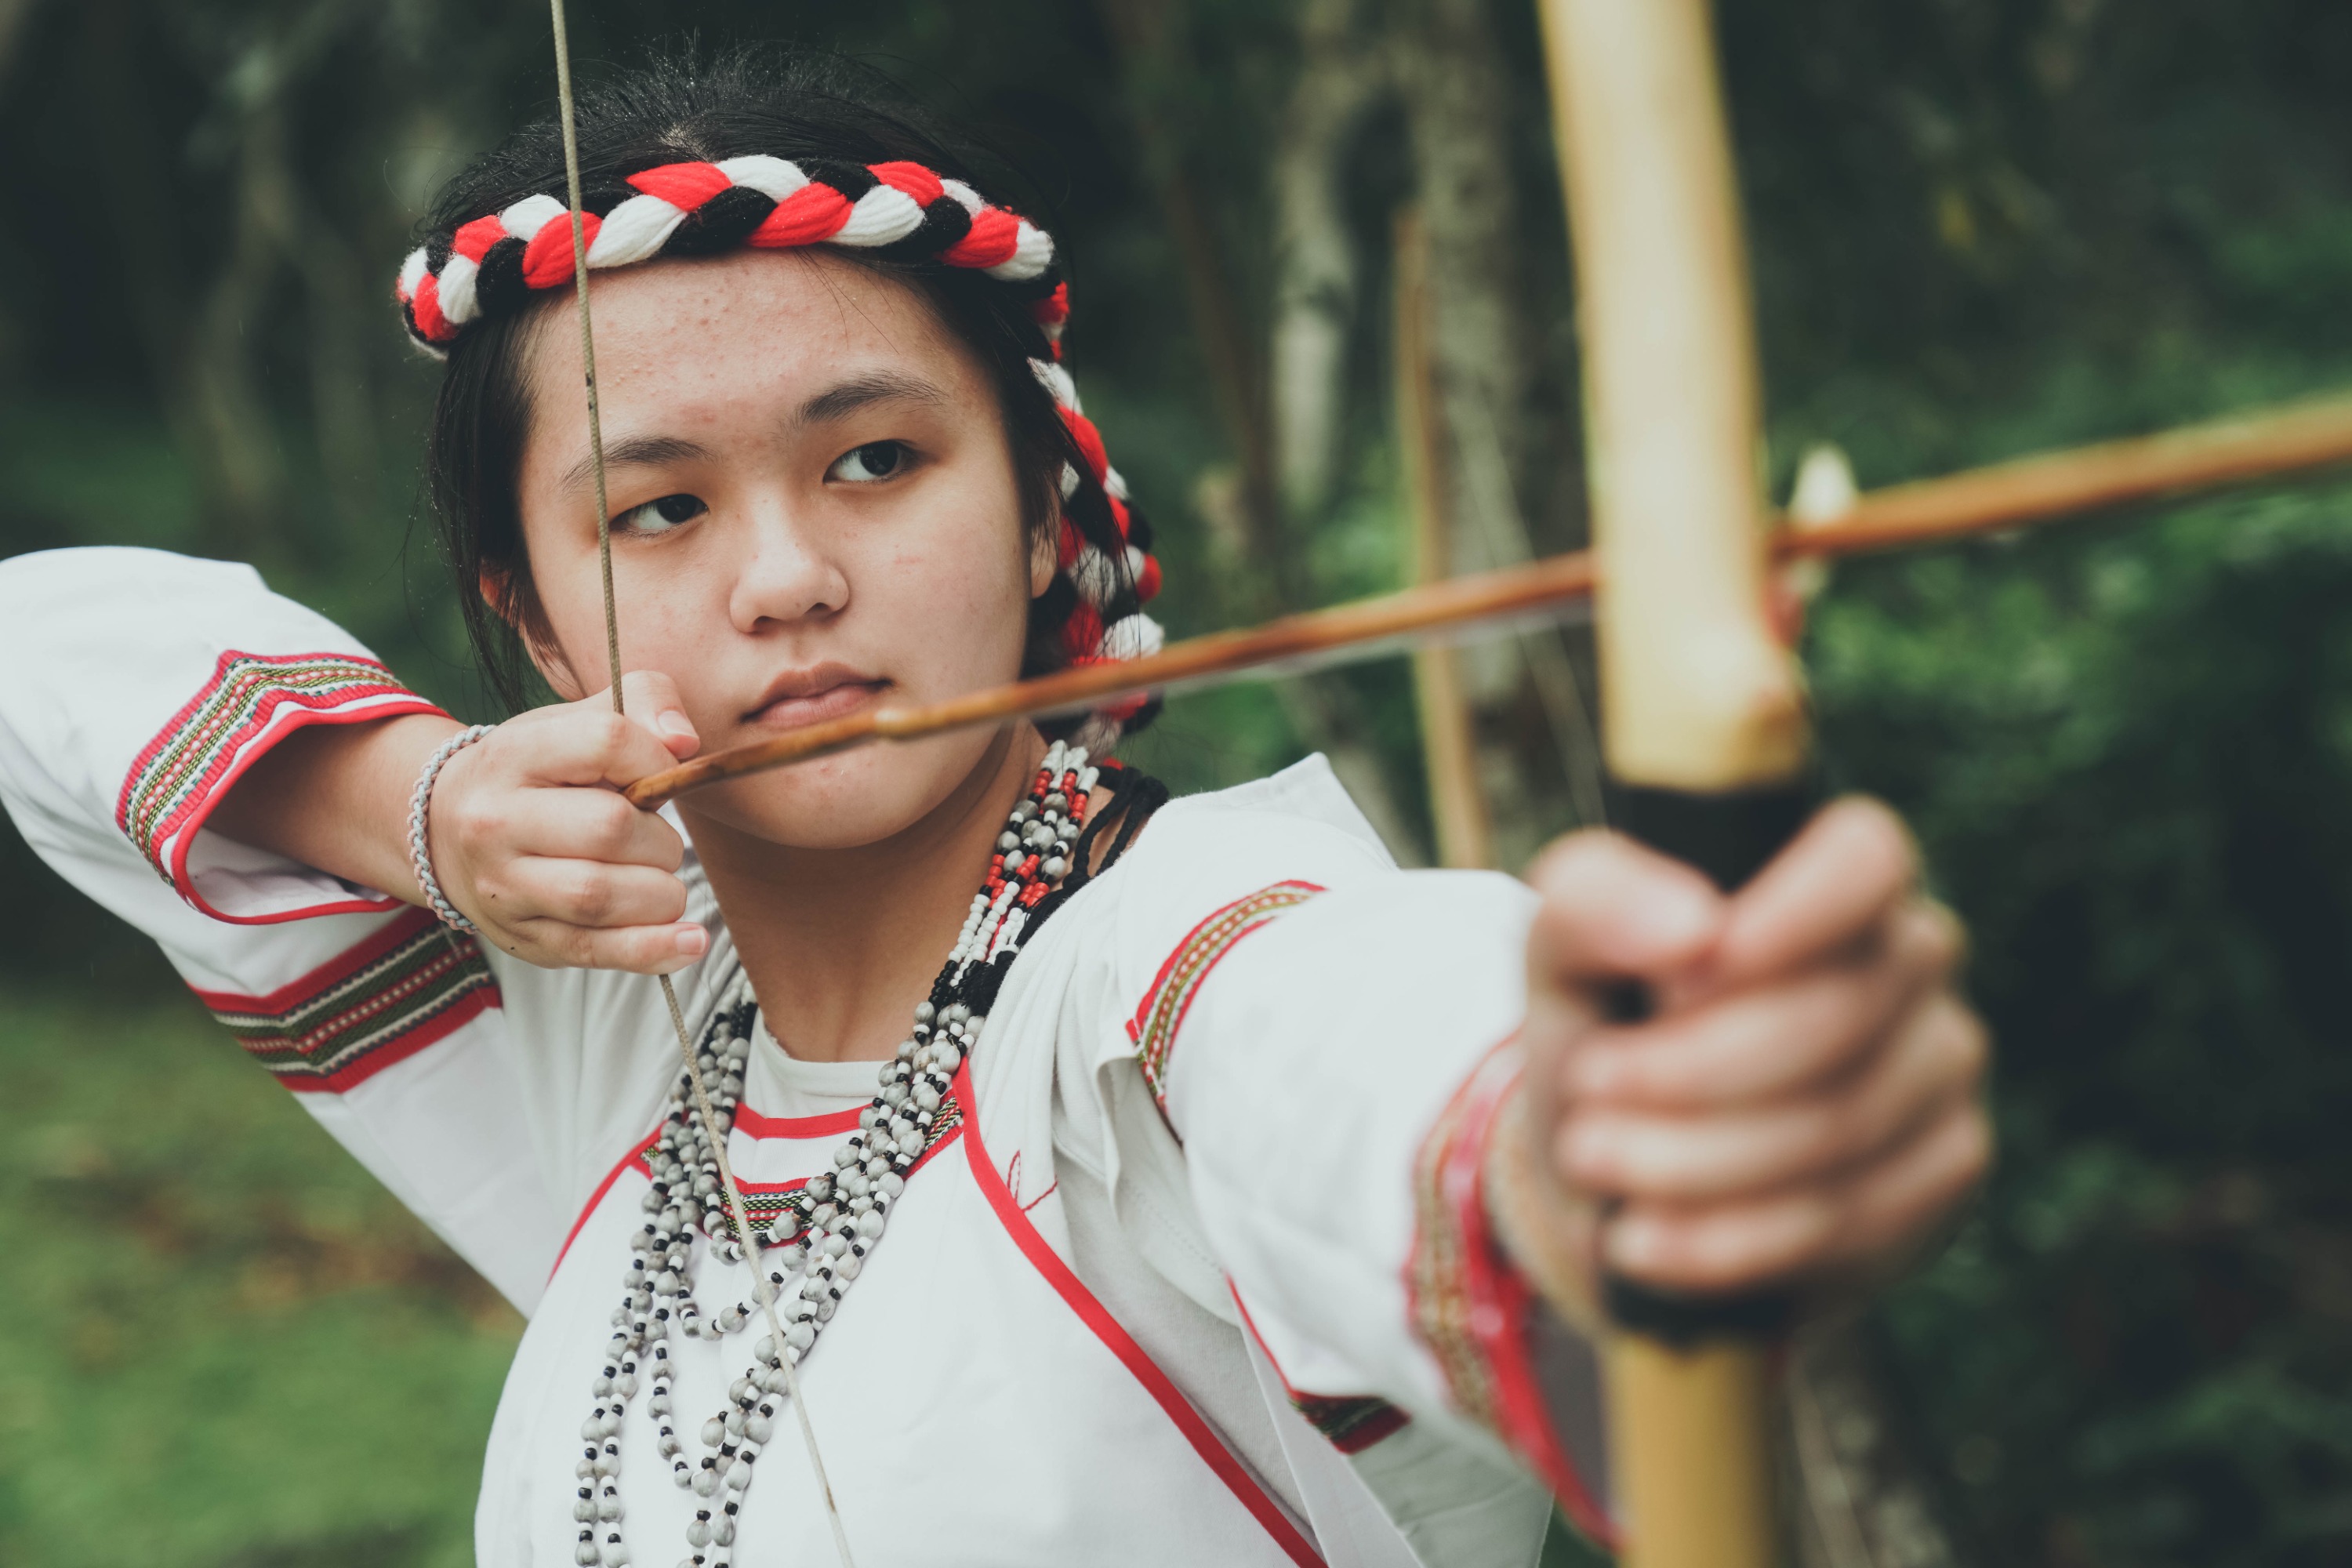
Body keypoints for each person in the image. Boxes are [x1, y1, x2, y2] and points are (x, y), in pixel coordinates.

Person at [0, 52, 1987, 1568]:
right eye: (659, 506)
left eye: (874, 459)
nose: (783, 577)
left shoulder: (1179, 971)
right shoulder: (611, 1013)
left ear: (1040, 510)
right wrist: (414, 803)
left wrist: (1627, 1136)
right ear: (526, 614)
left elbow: (1396, 1075)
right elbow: (41, 658)